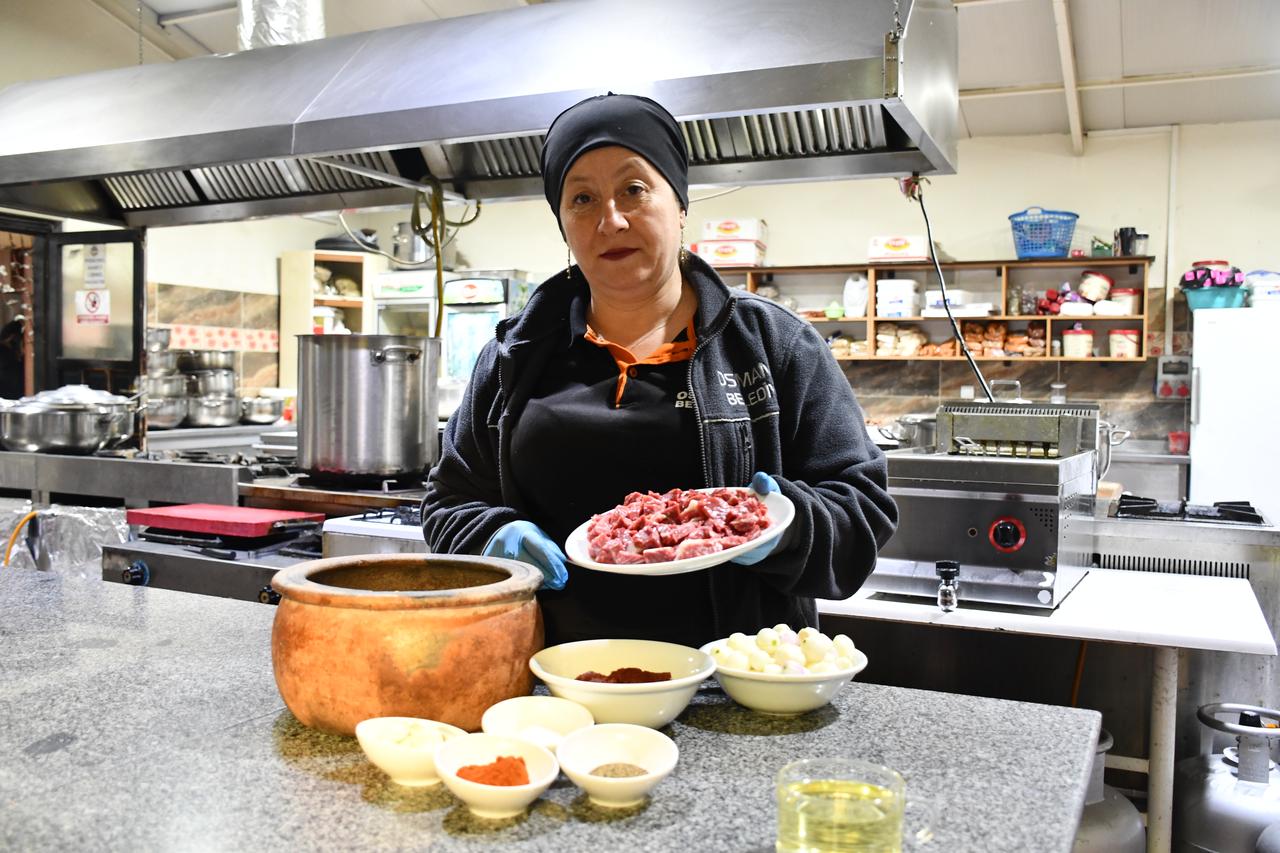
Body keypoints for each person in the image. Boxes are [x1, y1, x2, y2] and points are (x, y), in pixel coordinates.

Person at [421, 93, 896, 648]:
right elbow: (449, 501)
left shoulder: (774, 345)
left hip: (735, 684)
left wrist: (784, 528)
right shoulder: (516, 355)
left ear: (680, 206)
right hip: (552, 680)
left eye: (634, 189)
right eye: (581, 199)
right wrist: (491, 534)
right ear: (564, 225)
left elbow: (861, 507)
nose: (611, 219)